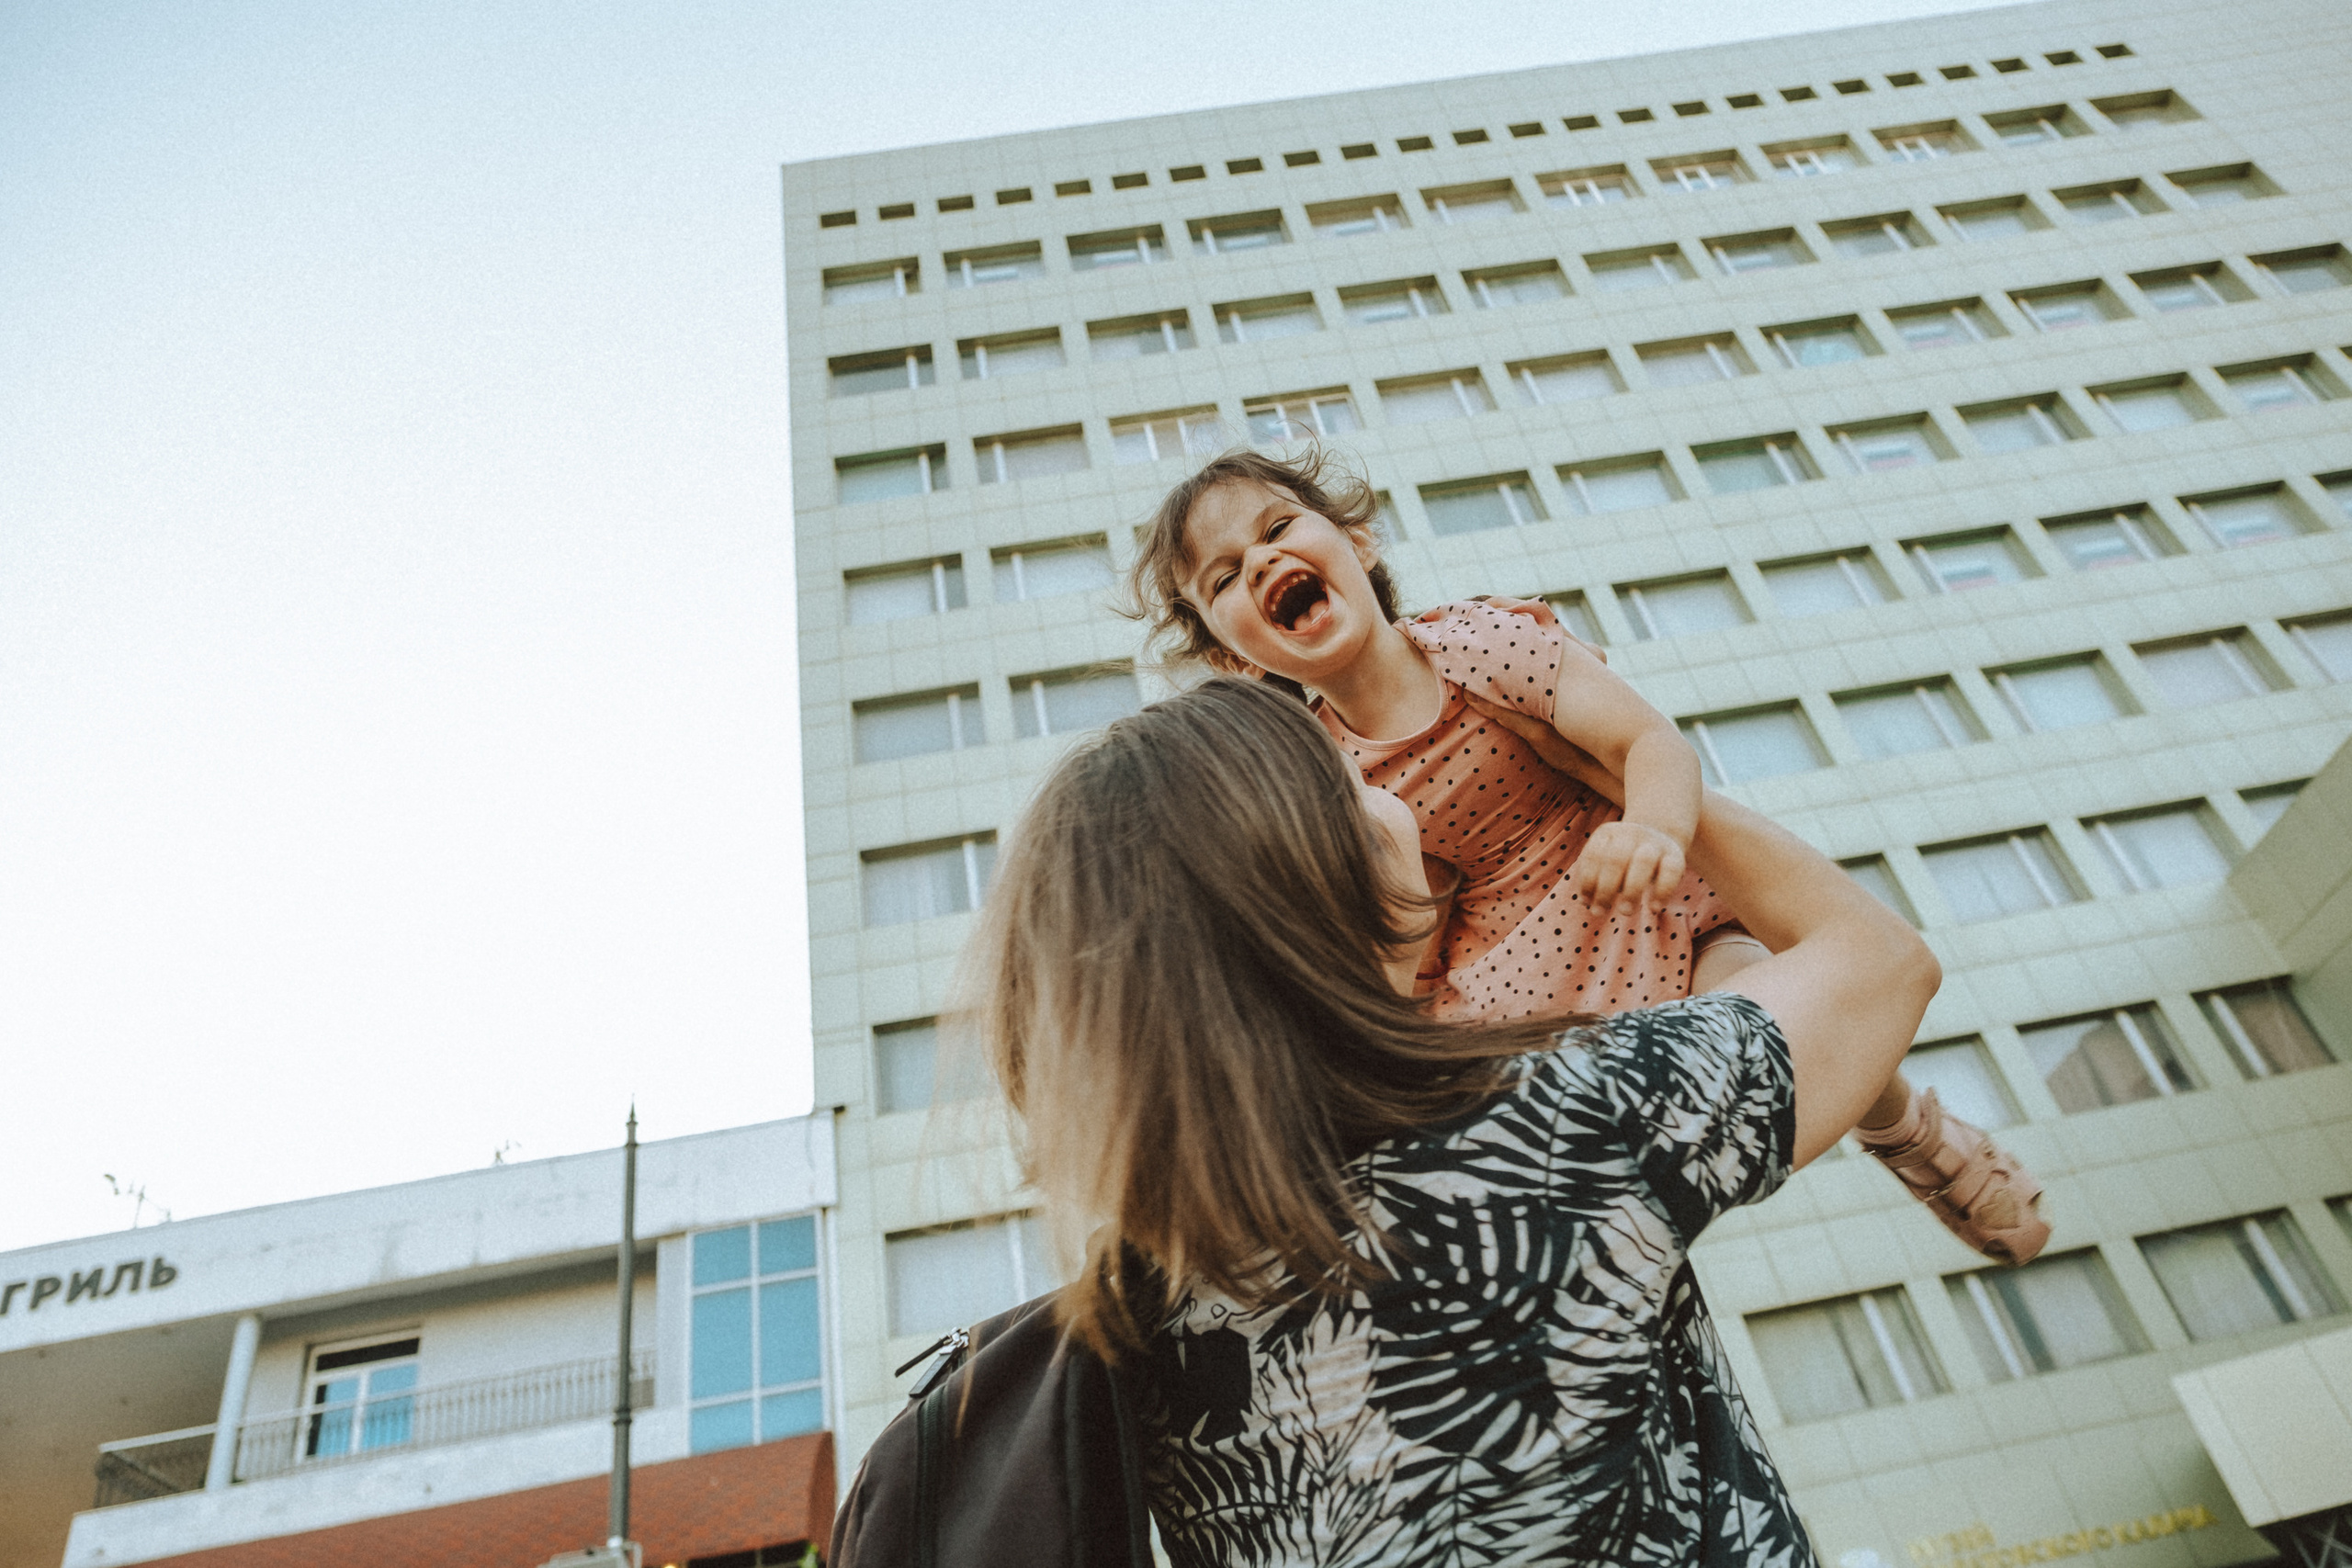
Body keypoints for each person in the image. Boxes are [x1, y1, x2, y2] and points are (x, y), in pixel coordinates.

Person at [967, 675, 1939, 1565]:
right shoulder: (1546, 1125)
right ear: (1308, 870)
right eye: (1339, 772)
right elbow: (1881, 963)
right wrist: (1616, 782)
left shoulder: (1144, 1295)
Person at [1125, 446, 2046, 1264]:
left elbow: (1650, 745)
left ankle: (1905, 1132)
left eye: (1278, 528)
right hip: (1503, 969)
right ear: (1233, 656)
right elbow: (1375, 943)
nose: (1261, 563)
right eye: (1223, 578)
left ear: (1357, 543)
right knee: (1522, 1144)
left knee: (1762, 997)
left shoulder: (1478, 645)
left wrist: (1650, 826)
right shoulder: (1319, 772)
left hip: (1634, 884)